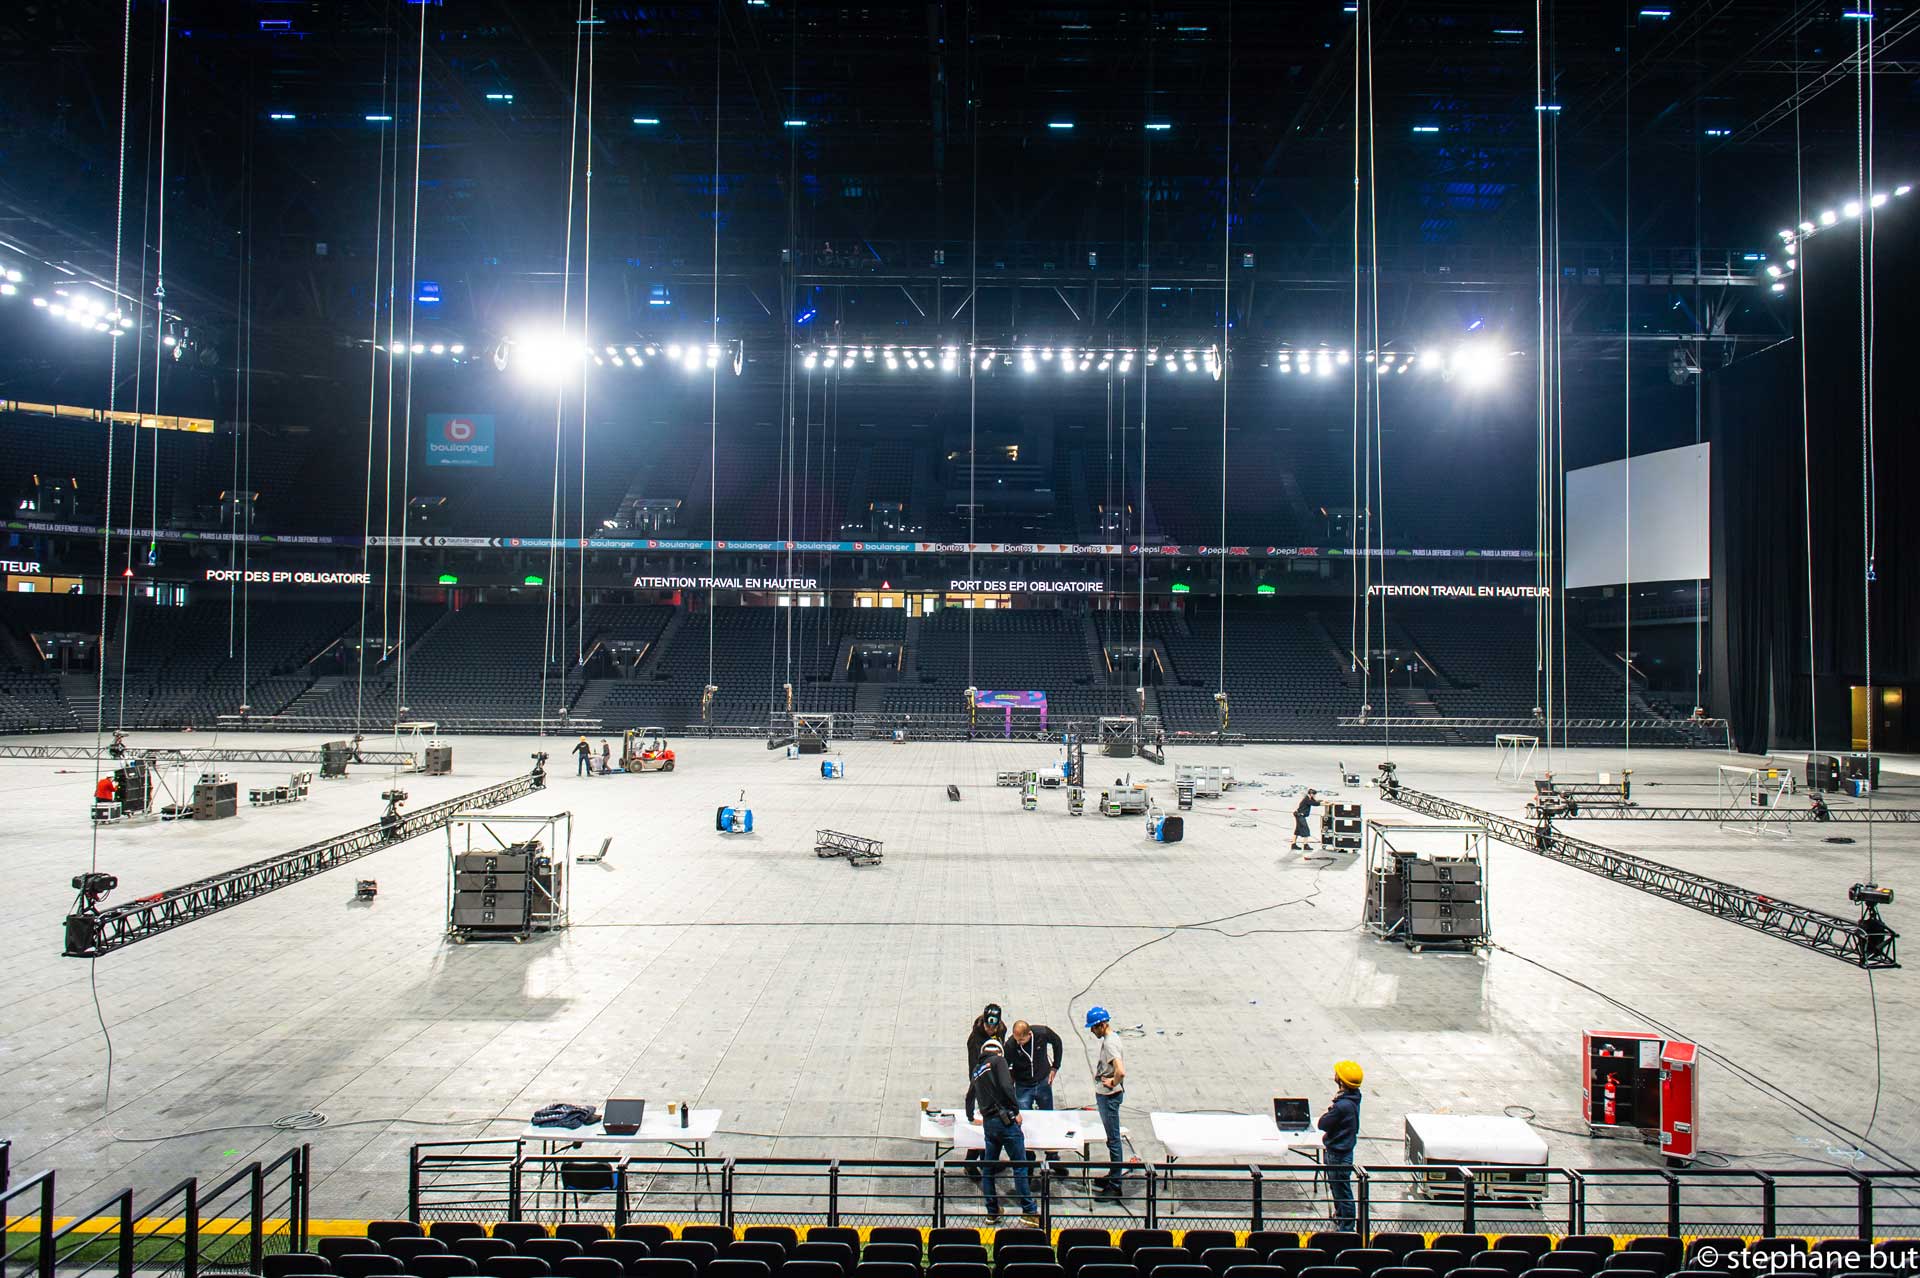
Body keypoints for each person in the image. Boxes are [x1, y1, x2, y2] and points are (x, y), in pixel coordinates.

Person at [965, 1039, 1039, 1225]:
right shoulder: (999, 1061)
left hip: (989, 1124)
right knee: (1020, 1167)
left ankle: (992, 1211)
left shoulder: (977, 1070)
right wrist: (1016, 1111)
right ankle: (1029, 1211)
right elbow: (1007, 1087)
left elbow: (969, 1097)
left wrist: (970, 1117)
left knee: (988, 1169)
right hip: (1006, 1122)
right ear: (999, 1051)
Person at [1007, 1019, 1066, 1190]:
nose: (1019, 1043)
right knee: (1023, 1125)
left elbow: (1058, 1042)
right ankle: (1028, 1163)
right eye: (1016, 1040)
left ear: (1029, 1034)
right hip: (1023, 1086)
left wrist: (1055, 1067)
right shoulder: (1011, 1045)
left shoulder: (1041, 1033)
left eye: (1022, 1040)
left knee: (1049, 1119)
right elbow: (1006, 1066)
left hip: (1042, 1082)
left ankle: (1053, 1157)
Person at [963, 1004, 1008, 1179]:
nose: (990, 1030)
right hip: (981, 1075)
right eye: (988, 1027)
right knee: (985, 1124)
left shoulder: (1001, 1030)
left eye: (993, 1027)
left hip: (995, 1075)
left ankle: (986, 1160)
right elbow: (975, 1072)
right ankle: (971, 1163)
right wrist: (970, 1116)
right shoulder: (975, 1039)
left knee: (992, 1126)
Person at [1319, 1059, 1364, 1231]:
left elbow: (1323, 1123)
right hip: (1343, 1151)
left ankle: (1347, 1227)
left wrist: (1332, 1110)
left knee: (1341, 1190)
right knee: (1338, 1187)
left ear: (1341, 1080)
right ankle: (1342, 1219)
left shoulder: (1342, 1106)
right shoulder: (1353, 1098)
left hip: (1337, 1153)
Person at [1087, 1006, 1127, 1195]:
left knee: (1113, 1140)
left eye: (1093, 1028)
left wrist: (1113, 1081)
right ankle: (1113, 1174)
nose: (1092, 1031)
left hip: (1109, 1096)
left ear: (1101, 1025)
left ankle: (1116, 1185)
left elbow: (1120, 1071)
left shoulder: (1110, 1043)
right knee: (1112, 1139)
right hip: (1108, 1095)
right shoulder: (1112, 1038)